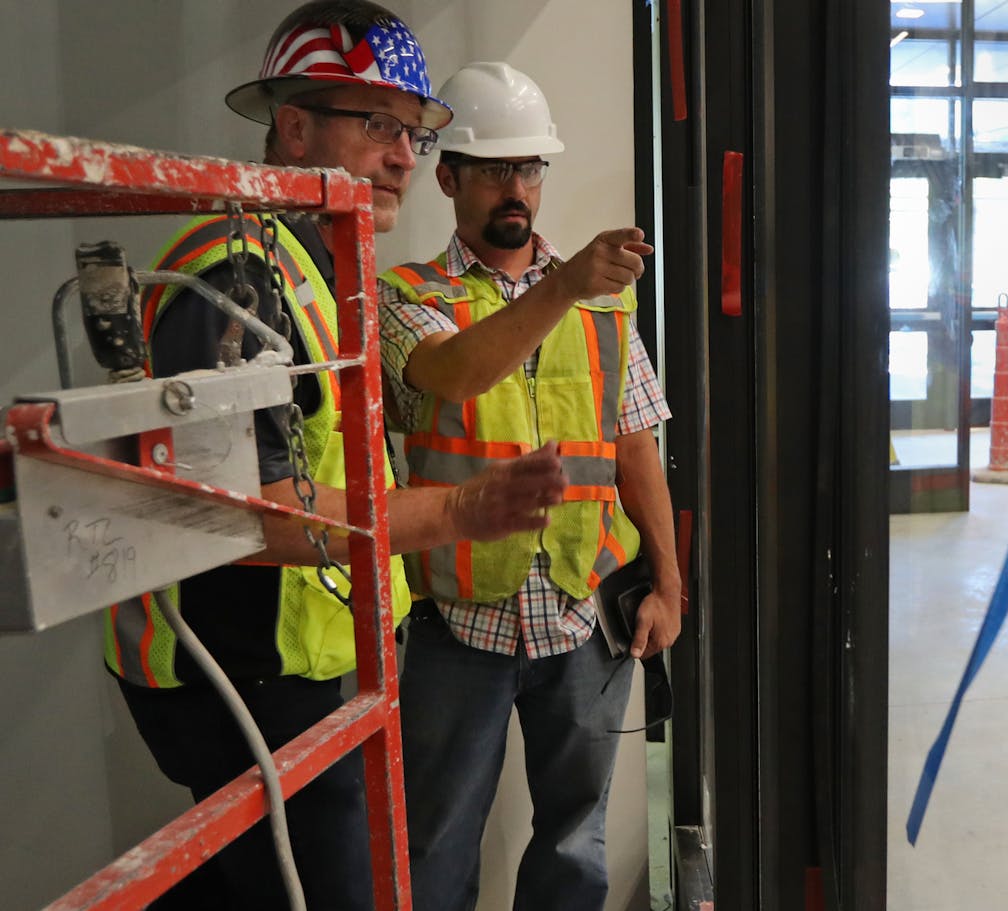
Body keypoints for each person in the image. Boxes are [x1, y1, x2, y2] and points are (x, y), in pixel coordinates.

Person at [105, 7, 567, 910]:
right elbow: (249, 515)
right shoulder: (236, 277)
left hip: (306, 661)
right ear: (294, 126)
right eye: (377, 125)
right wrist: (459, 513)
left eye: (411, 131)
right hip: (239, 675)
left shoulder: (312, 265)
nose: (404, 156)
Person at [378, 61, 681, 911]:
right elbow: (455, 373)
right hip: (457, 627)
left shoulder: (603, 304)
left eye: (528, 168)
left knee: (574, 844)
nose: (515, 188)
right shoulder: (408, 296)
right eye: (493, 169)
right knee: (435, 844)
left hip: (583, 621)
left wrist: (669, 582)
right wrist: (564, 285)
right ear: (449, 178)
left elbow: (635, 447)